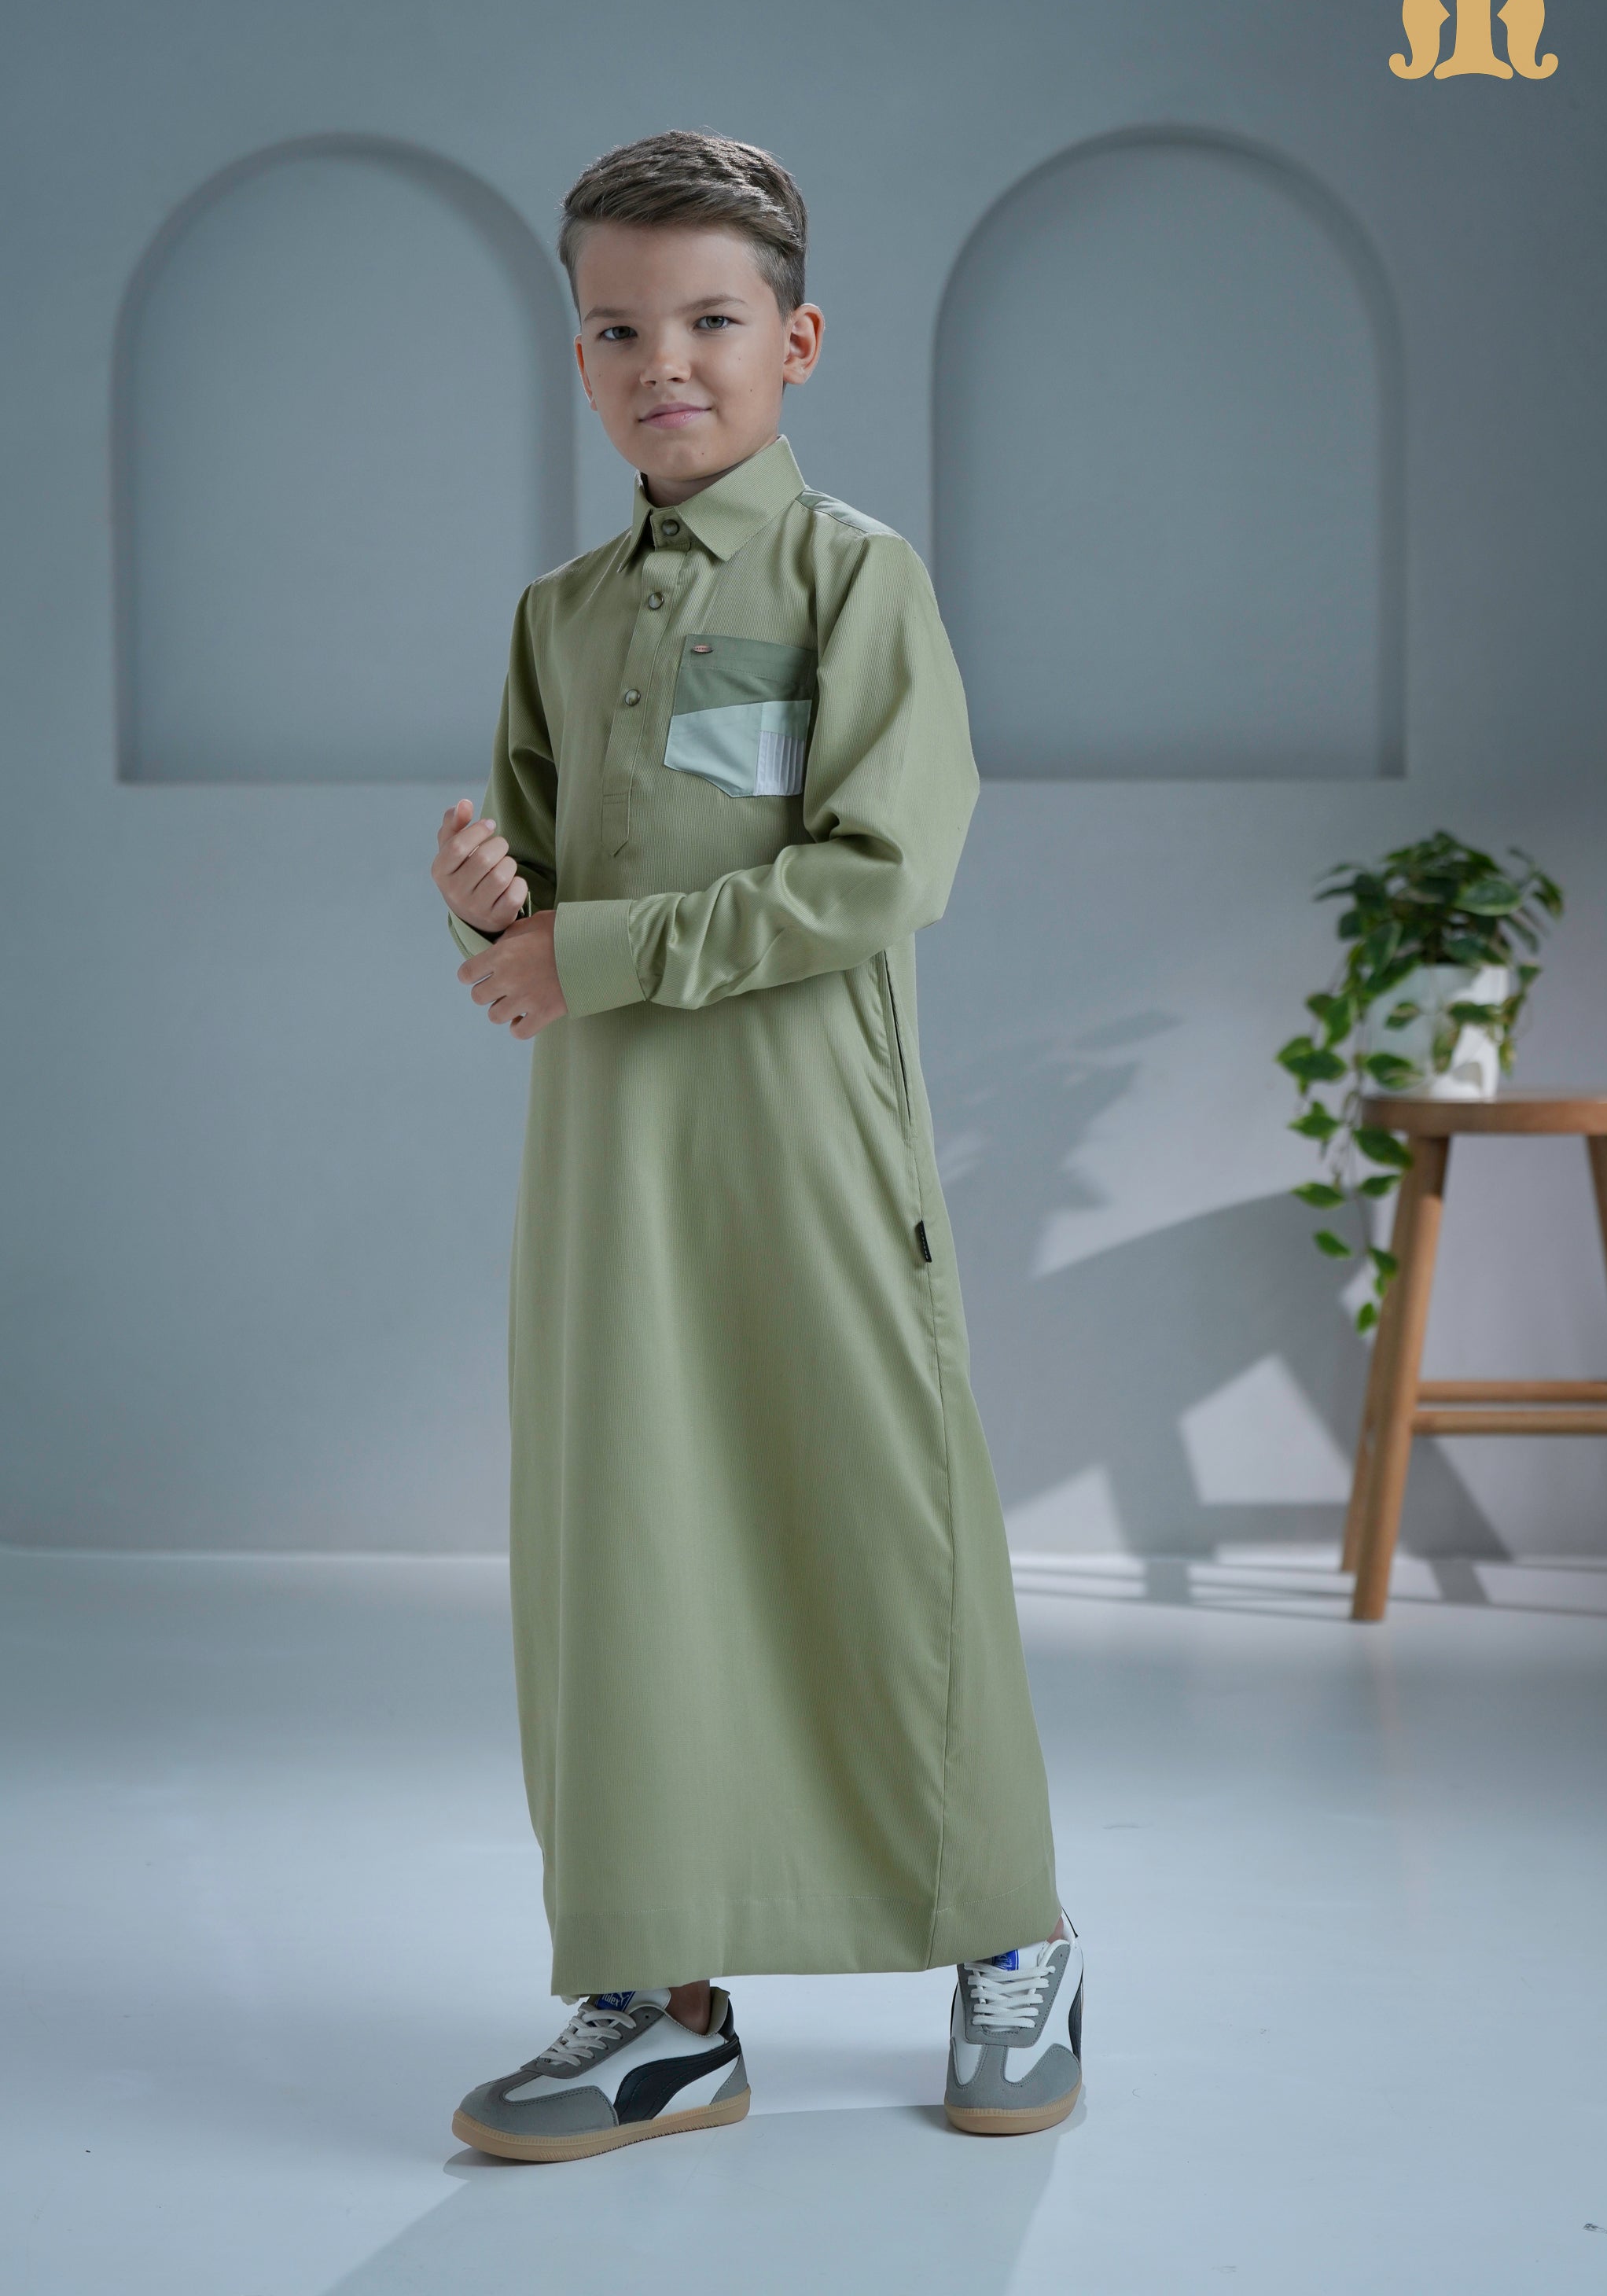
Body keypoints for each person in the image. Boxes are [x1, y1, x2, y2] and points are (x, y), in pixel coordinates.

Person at [429, 131, 1082, 2163]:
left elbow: (880, 876)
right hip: (608, 1162)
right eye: (619, 330)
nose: (666, 364)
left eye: (711, 322)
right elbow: (541, 884)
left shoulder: (853, 582)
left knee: (884, 1518)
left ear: (794, 343)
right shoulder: (557, 615)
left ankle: (1013, 1940)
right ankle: (661, 2005)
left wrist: (587, 951)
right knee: (621, 1549)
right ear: (580, 359)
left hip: (809, 1144)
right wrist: (488, 907)